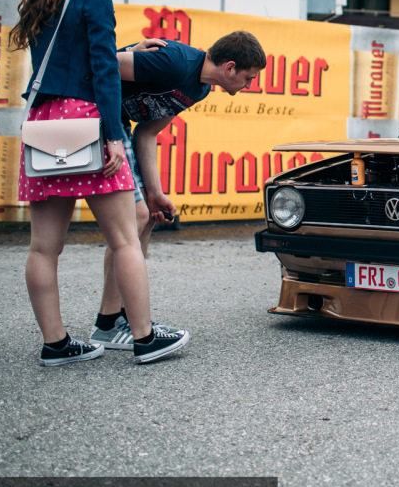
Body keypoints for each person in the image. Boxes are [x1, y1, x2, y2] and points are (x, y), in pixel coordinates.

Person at [10, 0, 189, 366]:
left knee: (42, 247)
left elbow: (66, 64)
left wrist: (128, 47)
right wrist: (113, 135)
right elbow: (102, 74)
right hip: (87, 120)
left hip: (44, 121)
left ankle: (56, 344)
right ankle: (144, 337)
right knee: (126, 238)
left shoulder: (39, 2)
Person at [87, 31, 266, 350]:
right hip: (96, 119)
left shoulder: (198, 88)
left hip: (122, 127)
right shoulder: (174, 62)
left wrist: (155, 192)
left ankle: (125, 318)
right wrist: (124, 52)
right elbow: (98, 64)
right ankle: (107, 323)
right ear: (229, 67)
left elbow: (147, 132)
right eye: (248, 78)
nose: (249, 85)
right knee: (135, 218)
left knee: (145, 217)